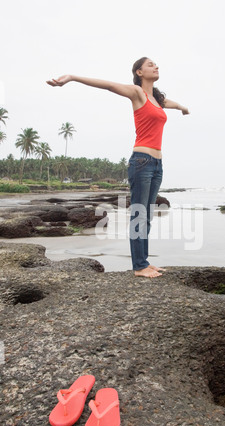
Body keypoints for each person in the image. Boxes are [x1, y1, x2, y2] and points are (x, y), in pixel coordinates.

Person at [47, 57, 189, 278]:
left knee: (147, 215)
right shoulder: (137, 93)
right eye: (150, 64)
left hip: (157, 164)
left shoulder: (157, 99)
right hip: (141, 161)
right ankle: (139, 267)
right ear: (139, 72)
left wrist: (182, 107)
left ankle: (144, 261)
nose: (156, 66)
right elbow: (109, 85)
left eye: (156, 64)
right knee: (139, 214)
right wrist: (73, 78)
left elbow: (169, 103)